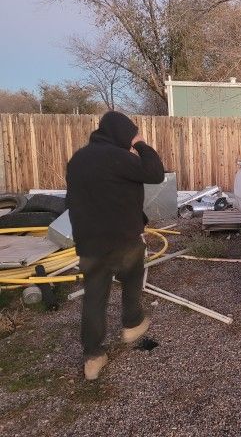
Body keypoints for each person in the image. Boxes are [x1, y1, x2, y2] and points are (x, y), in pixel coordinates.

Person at [66, 110, 165, 380]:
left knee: (94, 296)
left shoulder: (78, 159)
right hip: (122, 239)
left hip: (89, 242)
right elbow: (156, 173)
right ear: (123, 133)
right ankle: (132, 324)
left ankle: (93, 356)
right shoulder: (120, 158)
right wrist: (140, 144)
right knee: (132, 276)